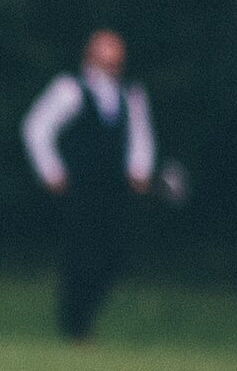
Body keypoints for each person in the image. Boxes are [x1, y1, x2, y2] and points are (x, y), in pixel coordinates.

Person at [21, 29, 156, 341]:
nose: (111, 67)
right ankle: (75, 324)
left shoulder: (131, 94)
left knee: (113, 255)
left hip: (115, 188)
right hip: (80, 187)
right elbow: (36, 128)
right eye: (105, 59)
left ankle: (86, 316)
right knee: (80, 255)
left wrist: (140, 170)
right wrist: (51, 172)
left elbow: (141, 136)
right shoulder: (69, 89)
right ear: (90, 57)